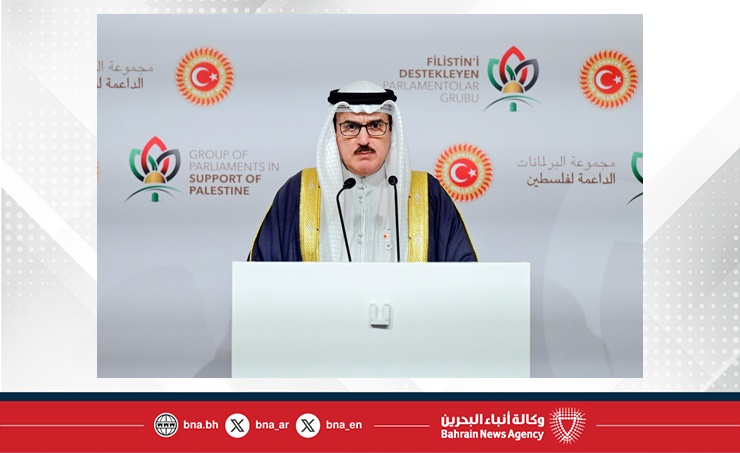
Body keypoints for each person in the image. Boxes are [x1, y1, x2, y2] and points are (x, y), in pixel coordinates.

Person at [248, 80, 477, 262]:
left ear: (391, 133)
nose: (364, 139)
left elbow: (463, 278)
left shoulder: (426, 192)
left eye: (376, 125)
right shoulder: (299, 191)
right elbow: (262, 276)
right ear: (334, 135)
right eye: (350, 126)